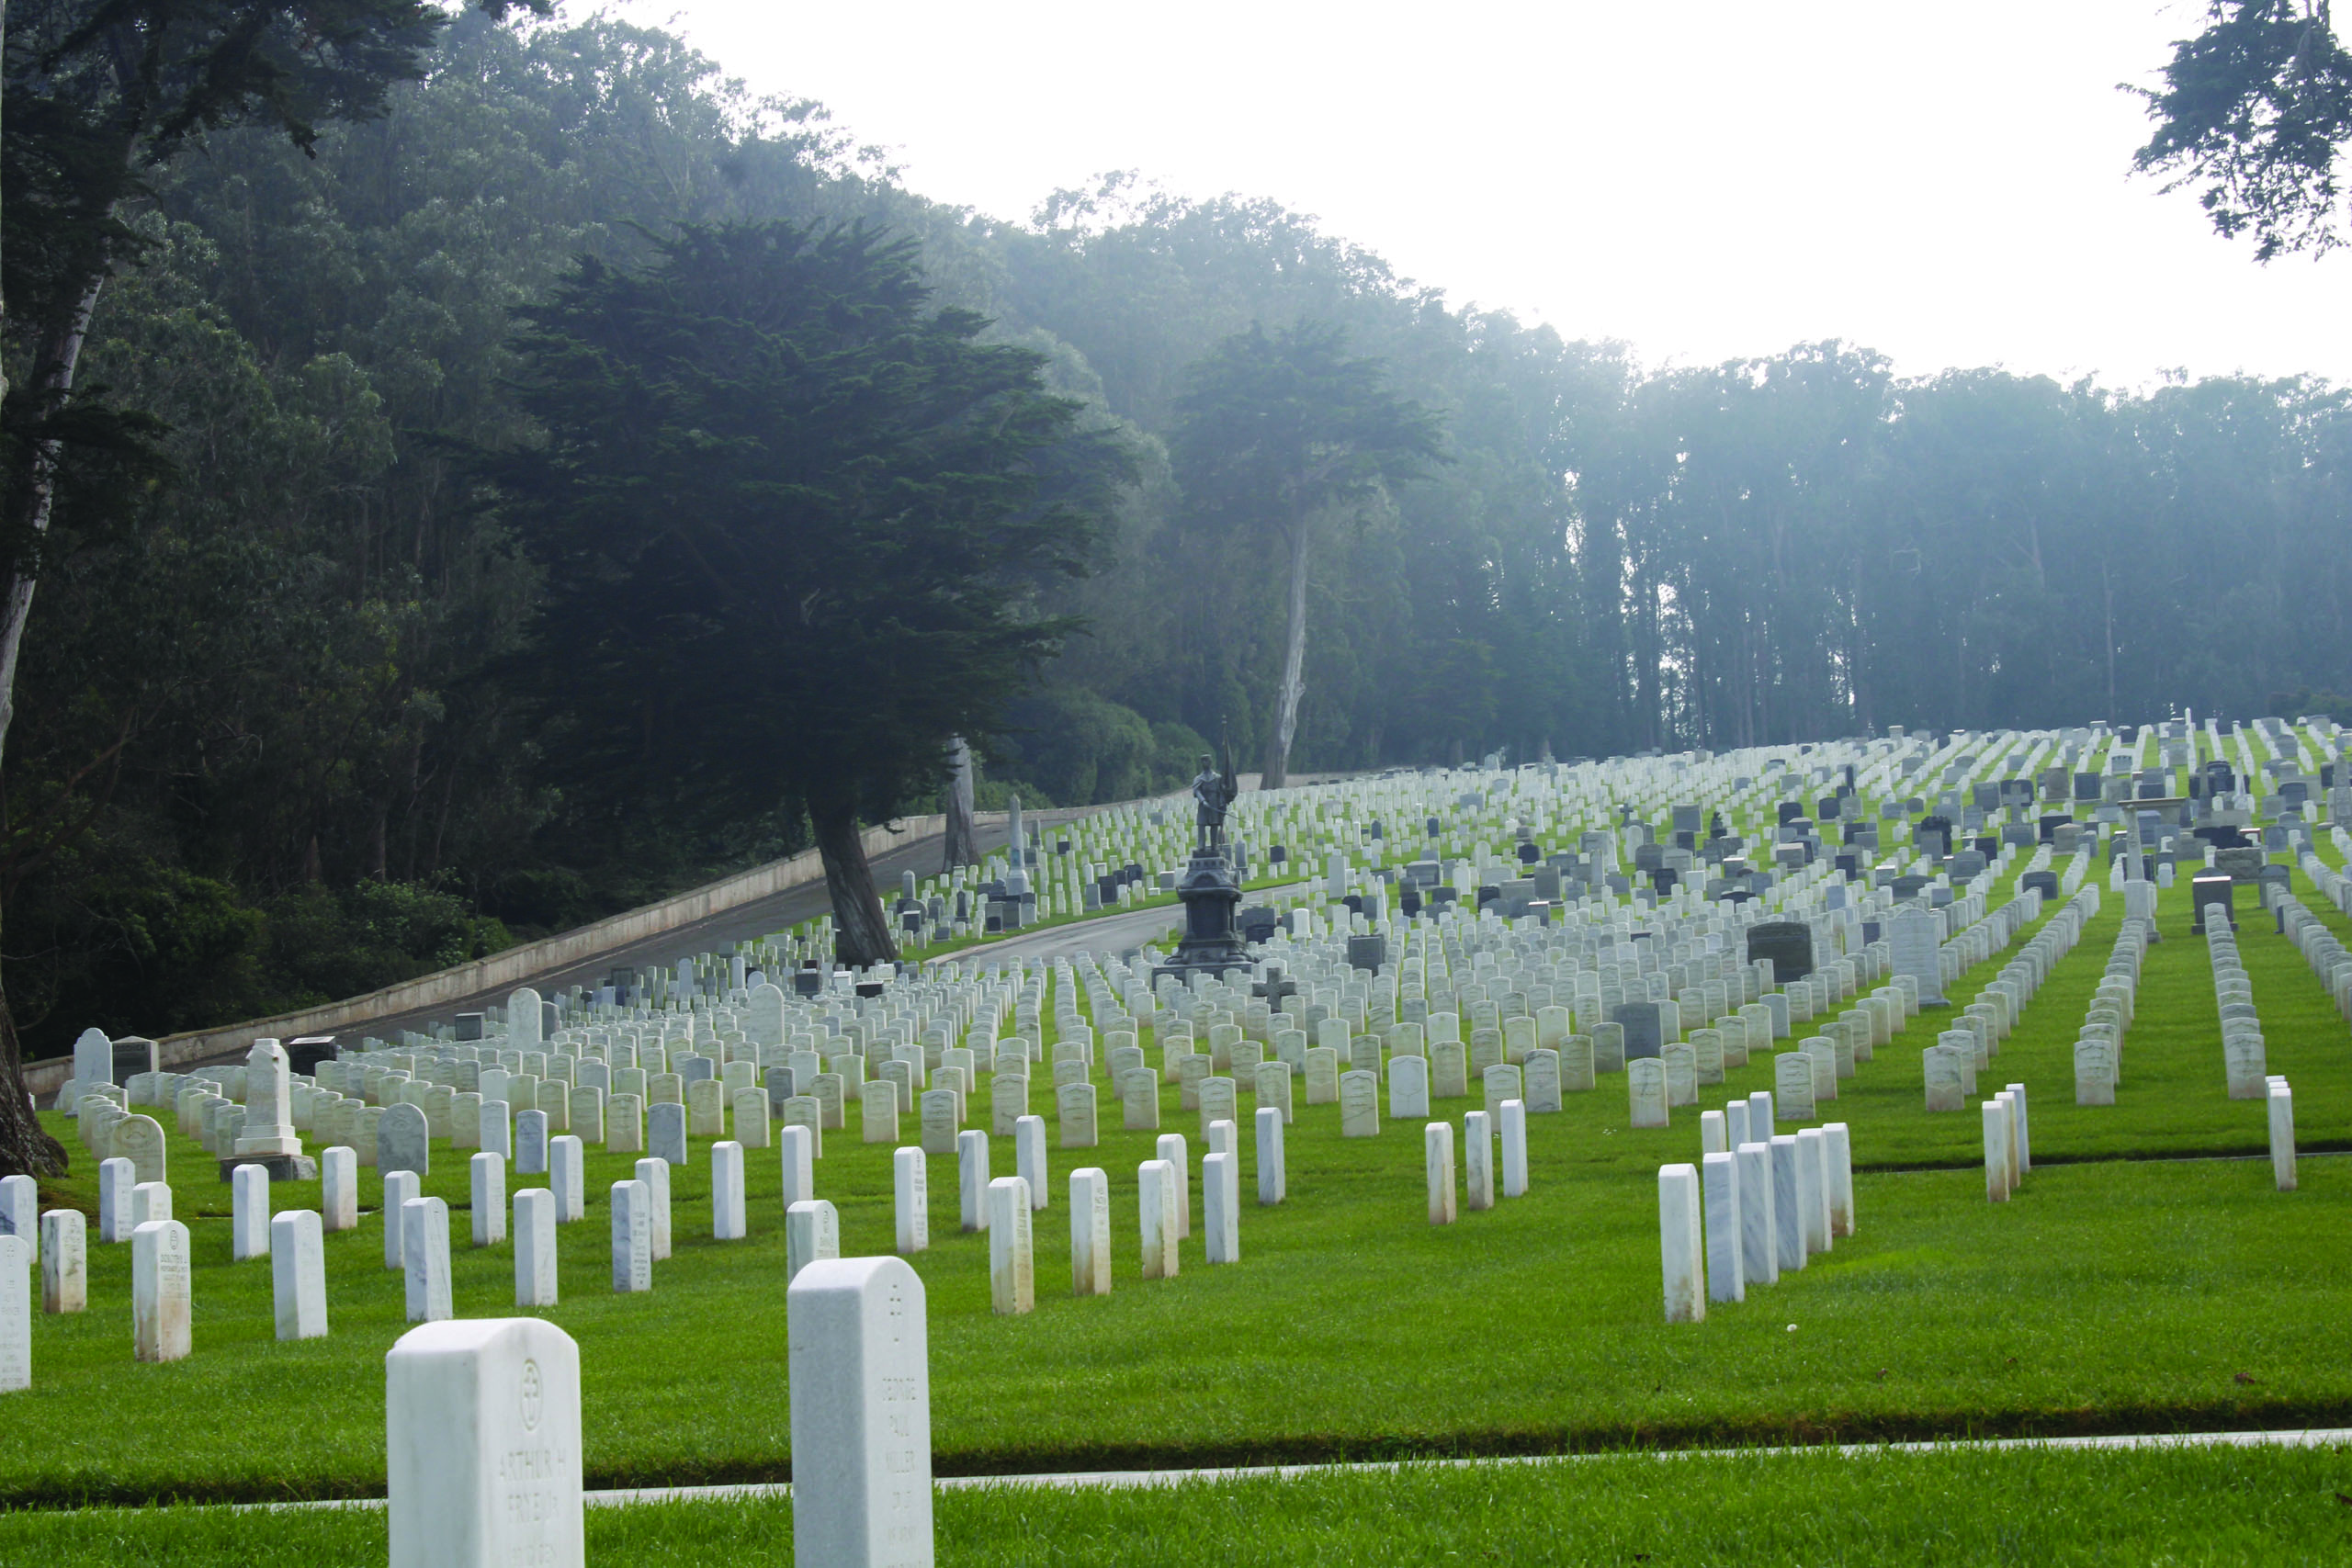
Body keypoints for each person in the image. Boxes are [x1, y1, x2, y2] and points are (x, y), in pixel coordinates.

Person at [1192, 752, 1235, 851]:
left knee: (1214, 824)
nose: (1204, 763)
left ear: (1210, 762)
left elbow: (1221, 791)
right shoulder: (1198, 778)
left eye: (1206, 761)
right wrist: (1202, 800)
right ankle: (1201, 845)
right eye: (1202, 761)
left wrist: (1222, 803)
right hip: (1203, 804)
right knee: (1201, 824)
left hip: (1214, 802)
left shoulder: (1217, 777)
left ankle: (1214, 845)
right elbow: (1196, 791)